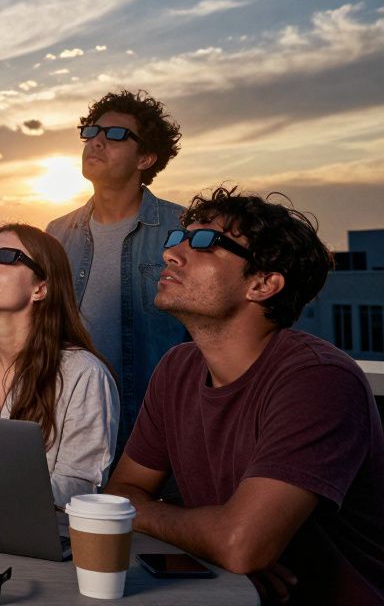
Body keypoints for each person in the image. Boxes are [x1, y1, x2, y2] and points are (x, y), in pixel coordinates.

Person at [105, 187, 384, 604]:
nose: (171, 254)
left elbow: (240, 546)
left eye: (204, 242)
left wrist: (232, 539)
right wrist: (217, 538)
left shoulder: (318, 379)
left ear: (263, 284)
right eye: (176, 240)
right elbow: (119, 494)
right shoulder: (177, 368)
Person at [0, 223, 118, 506]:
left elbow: (81, 490)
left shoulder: (84, 373)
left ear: (40, 289)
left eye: (6, 257)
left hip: (41, 538)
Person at [45, 90, 185, 448]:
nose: (97, 142)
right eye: (91, 132)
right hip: (69, 421)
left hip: (156, 428)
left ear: (146, 158)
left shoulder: (183, 230)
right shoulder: (57, 234)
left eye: (117, 135)